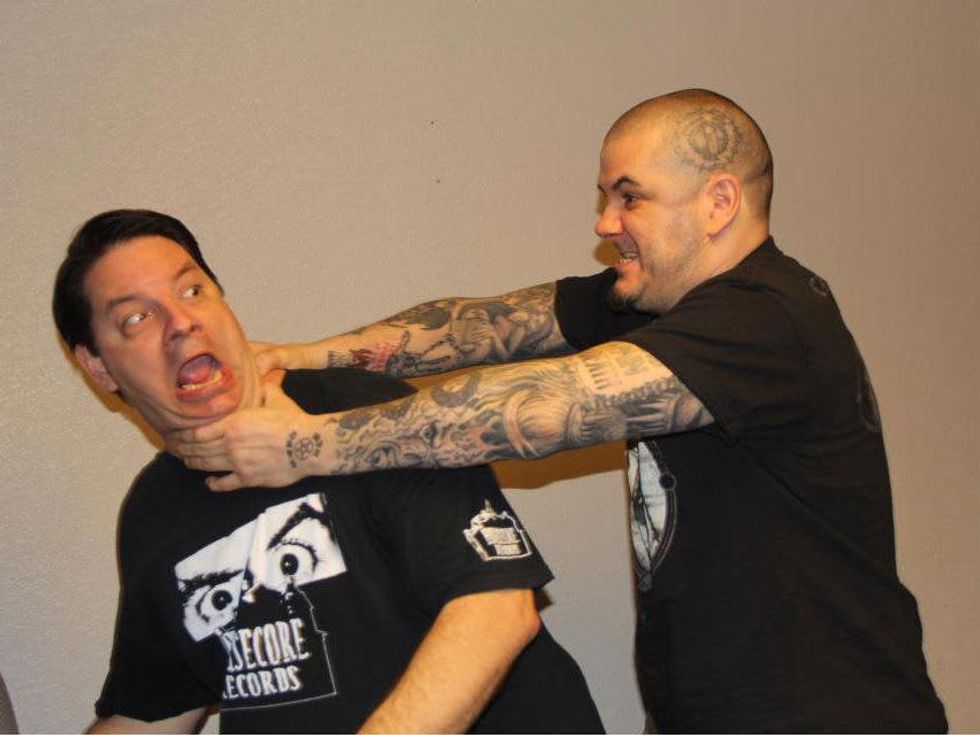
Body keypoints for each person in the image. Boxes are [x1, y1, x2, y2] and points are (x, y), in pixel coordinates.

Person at [171, 89, 948, 732]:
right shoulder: (654, 304)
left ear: (718, 202)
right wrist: (306, 355)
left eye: (629, 197)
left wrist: (306, 445)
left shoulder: (769, 317)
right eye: (606, 197)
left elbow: (544, 406)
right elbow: (484, 325)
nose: (606, 224)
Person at [52, 209, 604, 734]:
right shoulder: (153, 512)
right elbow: (154, 712)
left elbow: (498, 613)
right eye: (137, 318)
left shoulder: (366, 411)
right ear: (99, 366)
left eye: (193, 290)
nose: (181, 323)